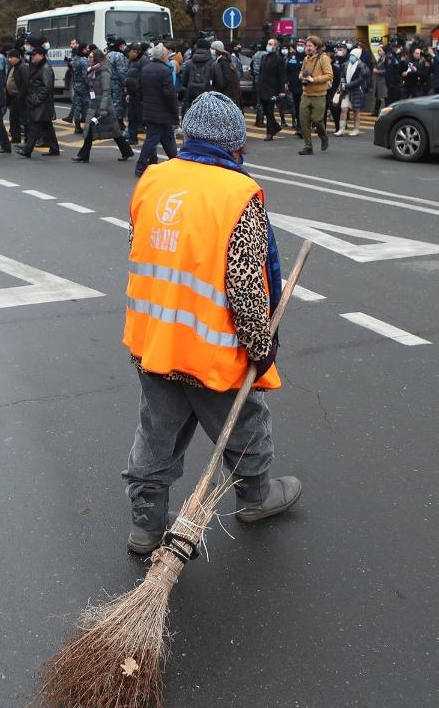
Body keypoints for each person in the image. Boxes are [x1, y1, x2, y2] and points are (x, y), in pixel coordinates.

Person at [122, 90, 301, 554]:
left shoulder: (153, 179)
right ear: (235, 146)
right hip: (209, 348)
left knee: (156, 430)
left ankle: (146, 524)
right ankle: (256, 496)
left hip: (154, 339)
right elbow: (245, 286)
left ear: (186, 136)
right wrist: (262, 347)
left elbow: (138, 247)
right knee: (242, 423)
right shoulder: (237, 194)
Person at [71, 49, 133, 163]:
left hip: (104, 108)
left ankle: (126, 151)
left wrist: (103, 108)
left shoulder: (104, 72)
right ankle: (84, 155)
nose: (88, 59)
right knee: (91, 129)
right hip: (94, 106)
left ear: (97, 59)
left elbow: (106, 91)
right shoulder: (92, 71)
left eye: (91, 57)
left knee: (115, 132)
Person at [133, 44, 179, 177]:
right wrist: (174, 112)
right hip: (162, 111)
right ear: (163, 56)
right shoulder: (165, 71)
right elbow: (169, 94)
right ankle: (141, 166)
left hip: (149, 109)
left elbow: (139, 89)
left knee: (167, 138)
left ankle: (175, 162)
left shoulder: (146, 69)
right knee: (153, 139)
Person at [18, 43, 59, 159]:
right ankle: (54, 148)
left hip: (42, 103)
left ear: (41, 55)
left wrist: (36, 100)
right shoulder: (38, 66)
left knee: (35, 125)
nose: (32, 57)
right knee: (47, 126)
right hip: (40, 102)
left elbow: (47, 87)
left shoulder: (45, 68)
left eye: (34, 55)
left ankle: (27, 150)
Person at [296, 35, 332, 155]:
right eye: (306, 46)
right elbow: (301, 72)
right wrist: (302, 76)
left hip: (319, 94)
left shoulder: (324, 58)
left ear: (316, 46)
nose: (307, 48)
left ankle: (324, 136)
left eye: (310, 46)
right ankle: (308, 146)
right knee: (304, 121)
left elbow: (329, 75)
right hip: (306, 94)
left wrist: (314, 79)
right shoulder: (306, 59)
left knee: (317, 120)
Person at [256, 38, 287, 140]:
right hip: (262, 88)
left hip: (272, 89)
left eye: (271, 44)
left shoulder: (279, 60)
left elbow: (282, 76)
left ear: (275, 47)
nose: (268, 45)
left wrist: (282, 91)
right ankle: (276, 127)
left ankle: (270, 133)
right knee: (265, 111)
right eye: (268, 43)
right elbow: (261, 72)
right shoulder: (264, 57)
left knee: (269, 111)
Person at [336, 46, 369, 136]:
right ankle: (341, 129)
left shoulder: (362, 66)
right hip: (346, 91)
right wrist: (343, 83)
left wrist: (346, 85)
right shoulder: (346, 64)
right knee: (343, 109)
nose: (351, 57)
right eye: (351, 55)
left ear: (358, 56)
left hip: (357, 91)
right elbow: (342, 75)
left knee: (356, 110)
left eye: (353, 55)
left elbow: (359, 80)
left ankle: (356, 129)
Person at [179, 38, 215, 115]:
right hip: (208, 97)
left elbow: (183, 81)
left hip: (191, 97)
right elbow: (219, 82)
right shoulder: (213, 63)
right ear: (208, 49)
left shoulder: (189, 63)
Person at [123, 43, 148, 145]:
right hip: (132, 94)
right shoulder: (131, 61)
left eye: (129, 53)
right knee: (132, 117)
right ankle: (133, 138)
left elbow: (145, 78)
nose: (128, 55)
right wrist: (128, 92)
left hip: (140, 95)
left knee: (141, 117)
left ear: (135, 52)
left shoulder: (144, 61)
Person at [4, 48, 27, 145]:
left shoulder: (23, 67)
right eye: (9, 57)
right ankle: (15, 137)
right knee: (13, 118)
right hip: (13, 97)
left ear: (18, 57)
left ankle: (28, 139)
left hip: (20, 97)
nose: (10, 59)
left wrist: (20, 96)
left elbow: (25, 84)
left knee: (24, 119)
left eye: (12, 57)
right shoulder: (12, 67)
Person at [209, 40, 241, 106]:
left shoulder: (223, 62)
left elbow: (226, 80)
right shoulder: (221, 60)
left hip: (225, 94)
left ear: (217, 50)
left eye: (212, 48)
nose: (210, 50)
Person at [68, 44, 89, 135]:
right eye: (87, 48)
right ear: (83, 50)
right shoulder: (84, 61)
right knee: (87, 105)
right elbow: (85, 76)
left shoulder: (75, 59)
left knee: (77, 106)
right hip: (84, 86)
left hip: (76, 85)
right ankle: (88, 126)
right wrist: (90, 86)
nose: (88, 50)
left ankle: (77, 127)